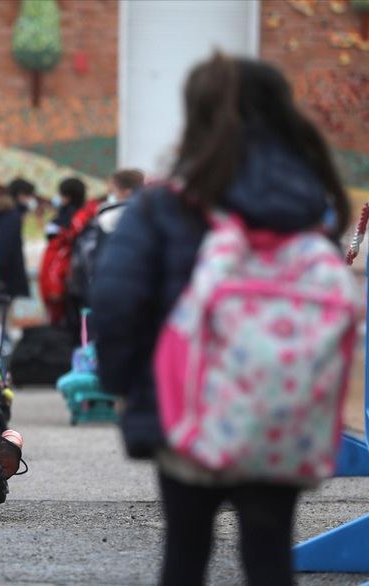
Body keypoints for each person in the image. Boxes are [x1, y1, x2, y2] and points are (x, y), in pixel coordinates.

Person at [91, 54, 351, 586]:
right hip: (283, 406)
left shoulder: (168, 203)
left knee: (186, 550)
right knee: (269, 551)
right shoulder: (308, 205)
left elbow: (116, 298)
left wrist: (121, 382)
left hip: (184, 405)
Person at [69, 168, 145, 310]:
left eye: (112, 192)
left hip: (109, 292)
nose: (109, 196)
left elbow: (88, 258)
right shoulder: (153, 216)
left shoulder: (105, 218)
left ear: (126, 192)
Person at [0, 178, 34, 299]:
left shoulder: (2, 212)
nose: (31, 200)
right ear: (20, 195)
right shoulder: (12, 216)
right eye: (29, 195)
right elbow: (4, 246)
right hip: (6, 278)